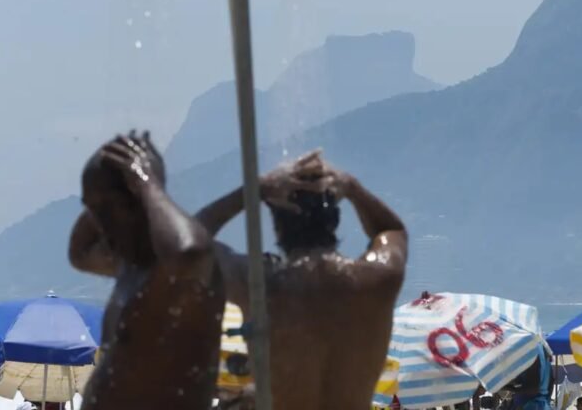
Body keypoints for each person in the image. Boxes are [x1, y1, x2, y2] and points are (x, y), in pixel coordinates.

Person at [196, 150, 408, 409]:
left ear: (277, 227)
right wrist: (352, 187)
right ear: (335, 218)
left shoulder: (258, 284)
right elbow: (392, 230)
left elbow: (190, 245)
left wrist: (257, 189)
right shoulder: (374, 281)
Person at [68, 132, 224, 409]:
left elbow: (189, 250)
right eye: (93, 210)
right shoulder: (129, 268)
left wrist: (148, 182)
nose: (99, 225)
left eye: (108, 209)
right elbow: (78, 254)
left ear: (140, 201)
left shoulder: (174, 278)